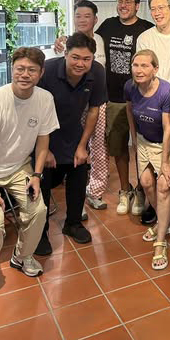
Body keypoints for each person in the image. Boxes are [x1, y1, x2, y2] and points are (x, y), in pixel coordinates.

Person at [0, 47, 59, 294]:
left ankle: (22, 255)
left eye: (32, 70)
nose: (25, 74)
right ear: (12, 69)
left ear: (41, 73)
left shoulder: (45, 99)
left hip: (18, 166)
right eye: (20, 69)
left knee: (38, 210)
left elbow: (43, 140)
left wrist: (37, 176)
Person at [35, 32, 107, 255]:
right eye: (75, 57)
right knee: (43, 185)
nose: (80, 64)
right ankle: (39, 233)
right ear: (65, 54)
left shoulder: (97, 72)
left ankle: (73, 223)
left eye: (86, 59)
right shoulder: (47, 71)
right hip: (44, 135)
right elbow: (34, 112)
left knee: (78, 175)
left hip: (73, 132)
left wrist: (83, 145)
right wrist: (44, 149)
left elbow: (93, 109)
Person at [97, 0, 153, 216]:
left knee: (141, 147)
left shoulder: (147, 29)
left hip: (142, 97)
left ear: (137, 6)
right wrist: (64, 41)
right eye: (120, 1)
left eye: (128, 1)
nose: (123, 5)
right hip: (114, 98)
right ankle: (124, 190)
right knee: (118, 147)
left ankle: (141, 190)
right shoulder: (107, 26)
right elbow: (90, 41)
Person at [136, 0, 170, 225]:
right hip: (154, 103)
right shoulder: (145, 38)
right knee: (153, 157)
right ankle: (153, 204)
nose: (157, 13)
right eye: (153, 9)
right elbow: (142, 70)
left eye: (161, 8)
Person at [55, 0, 109, 216]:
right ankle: (75, 197)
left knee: (98, 145)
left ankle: (94, 191)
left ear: (95, 19)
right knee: (75, 144)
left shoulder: (101, 40)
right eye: (78, 16)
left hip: (96, 99)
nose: (82, 20)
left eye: (87, 16)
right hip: (73, 100)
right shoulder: (65, 42)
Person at [125, 49, 170, 270]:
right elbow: (130, 112)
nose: (139, 70)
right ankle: (163, 222)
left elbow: (168, 129)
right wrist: (134, 140)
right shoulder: (129, 87)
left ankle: (160, 241)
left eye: (145, 65)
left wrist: (165, 161)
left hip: (164, 144)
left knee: (164, 186)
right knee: (146, 183)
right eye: (135, 65)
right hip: (142, 141)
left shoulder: (166, 91)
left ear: (155, 69)